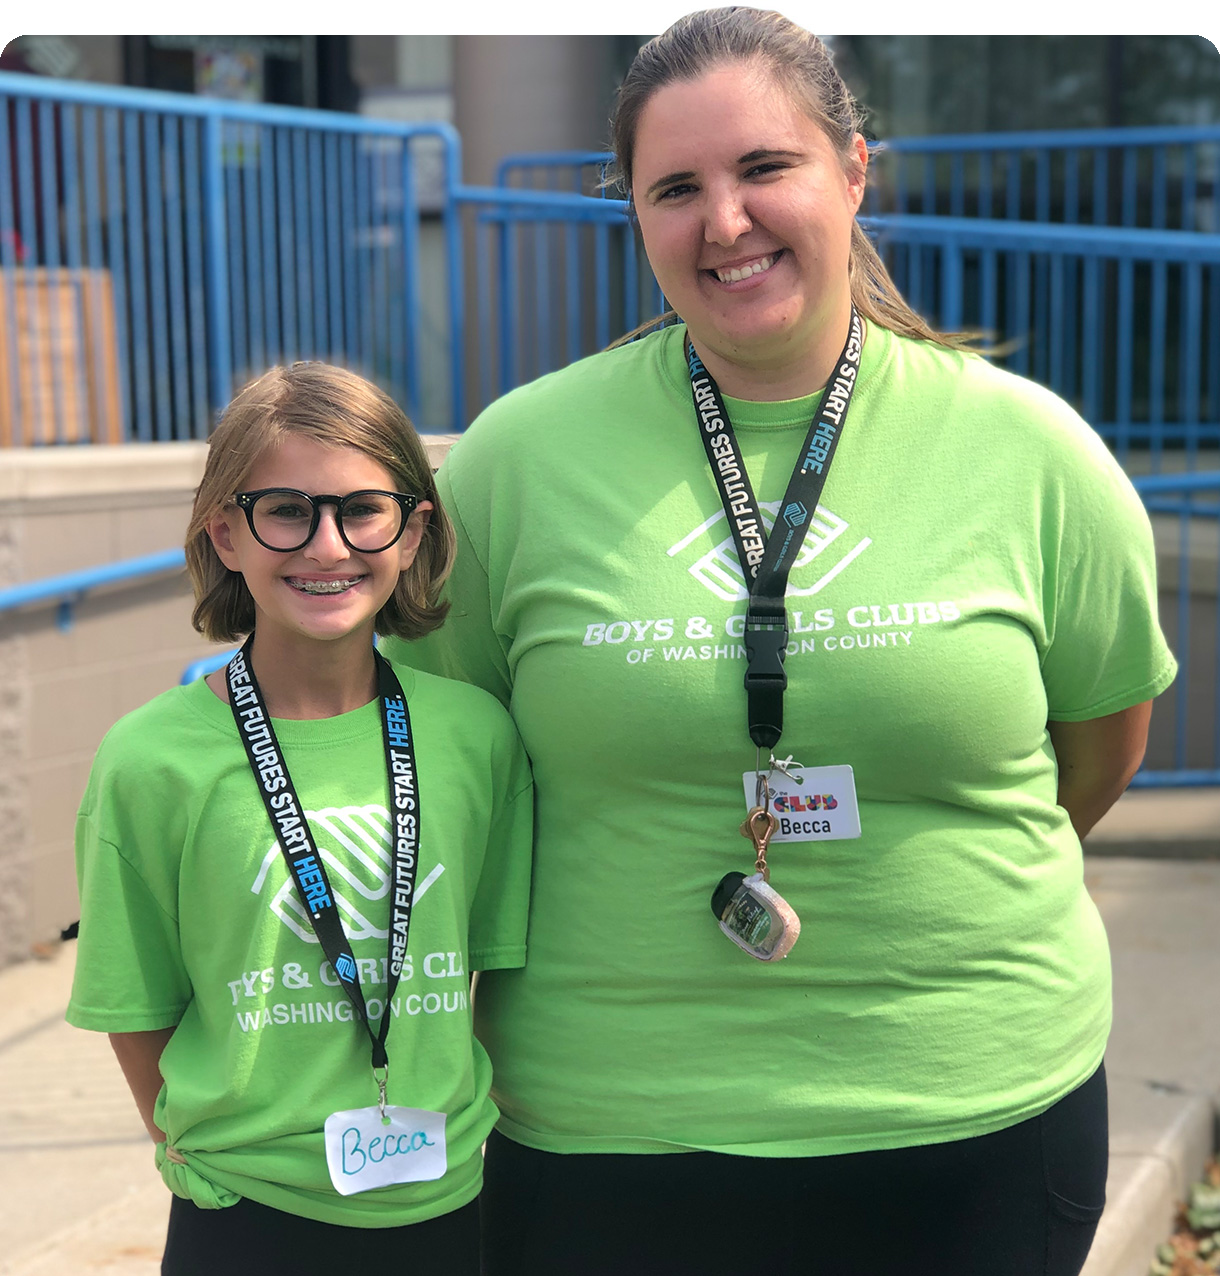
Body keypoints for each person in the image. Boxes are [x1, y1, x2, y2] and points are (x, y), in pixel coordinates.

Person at [385, 9, 1177, 1276]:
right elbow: (443, 768)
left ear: (853, 168)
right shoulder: (515, 463)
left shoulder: (1030, 453)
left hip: (970, 1116)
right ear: (632, 215)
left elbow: (1095, 748)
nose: (725, 221)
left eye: (764, 168)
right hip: (611, 1133)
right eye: (674, 188)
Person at [67, 363, 533, 1275]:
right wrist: (201, 1155)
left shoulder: (475, 737)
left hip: (446, 1203)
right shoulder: (151, 760)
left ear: (414, 531)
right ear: (225, 532)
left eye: (363, 510)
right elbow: (138, 1006)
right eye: (286, 510)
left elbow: (492, 968)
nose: (327, 547)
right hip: (247, 1212)